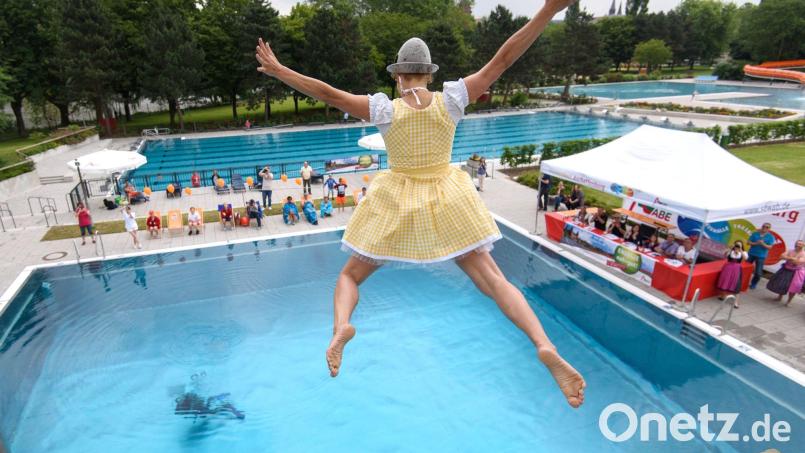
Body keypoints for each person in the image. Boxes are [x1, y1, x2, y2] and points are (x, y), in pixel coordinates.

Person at [256, 0, 586, 409]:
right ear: (429, 75)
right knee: (495, 281)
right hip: (449, 200)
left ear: (397, 78)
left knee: (350, 278)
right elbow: (504, 58)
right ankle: (543, 344)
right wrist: (548, 10)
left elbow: (326, 92)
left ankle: (342, 327)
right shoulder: (452, 99)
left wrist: (280, 70)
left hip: (398, 202)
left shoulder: (384, 109)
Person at [765, 240, 805, 306]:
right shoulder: (790, 250)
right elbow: (781, 256)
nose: (798, 245)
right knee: (782, 284)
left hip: (797, 273)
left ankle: (788, 302)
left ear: (803, 246)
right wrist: (792, 258)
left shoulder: (804, 254)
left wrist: (787, 258)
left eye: (800, 244)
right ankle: (779, 297)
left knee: (793, 288)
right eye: (797, 244)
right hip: (786, 269)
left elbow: (797, 262)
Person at [717, 241, 747, 308]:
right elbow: (724, 255)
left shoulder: (743, 253)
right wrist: (730, 248)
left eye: (739, 245)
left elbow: (744, 259)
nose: (737, 246)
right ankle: (723, 296)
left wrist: (740, 250)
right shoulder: (731, 252)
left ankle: (736, 302)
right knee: (725, 281)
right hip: (728, 268)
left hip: (736, 269)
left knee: (736, 284)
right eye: (736, 245)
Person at [747, 223, 775, 290]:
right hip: (751, 254)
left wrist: (763, 243)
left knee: (758, 273)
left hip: (761, 256)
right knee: (746, 269)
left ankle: (753, 284)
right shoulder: (755, 234)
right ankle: (742, 281)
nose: (765, 228)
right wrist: (756, 243)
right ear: (761, 226)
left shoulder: (771, 237)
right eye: (763, 226)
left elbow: (770, 247)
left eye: (767, 227)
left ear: (769, 229)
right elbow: (748, 242)